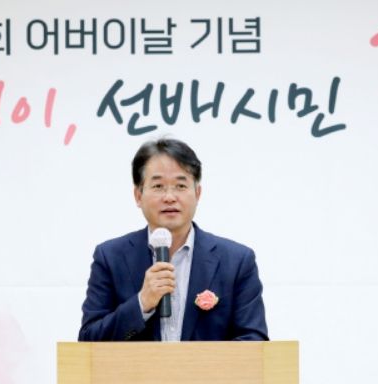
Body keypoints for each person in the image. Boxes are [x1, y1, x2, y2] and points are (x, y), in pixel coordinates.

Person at [78, 138, 268, 341]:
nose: (169, 197)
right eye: (158, 186)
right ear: (138, 195)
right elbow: (89, 341)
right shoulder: (110, 257)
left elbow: (254, 342)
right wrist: (142, 303)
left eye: (180, 185)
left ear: (197, 193)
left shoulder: (236, 261)